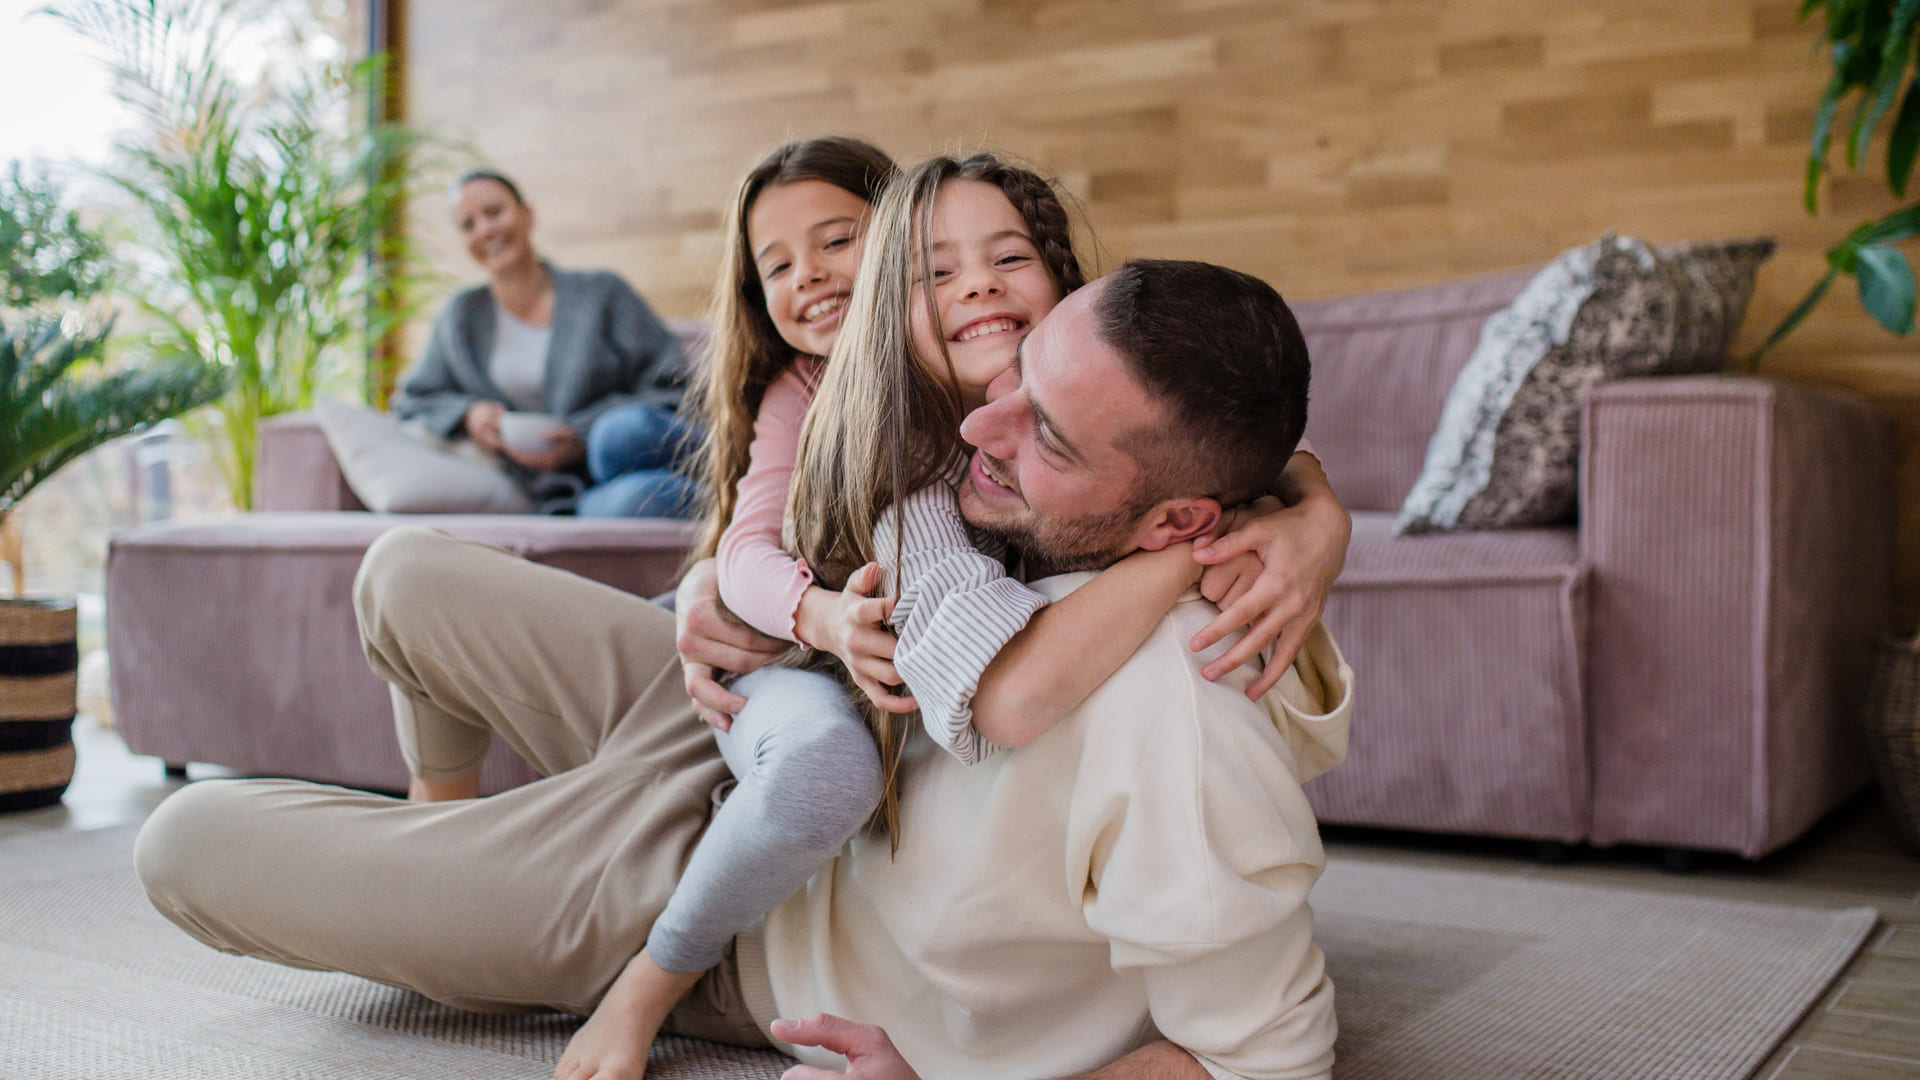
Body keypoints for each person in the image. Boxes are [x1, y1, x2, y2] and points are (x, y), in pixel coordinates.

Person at [133, 256, 1351, 1080]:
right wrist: (1315, 505)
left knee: (182, 845)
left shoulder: (1189, 708)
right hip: (771, 712)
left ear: (1180, 524)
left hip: (739, 910)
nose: (982, 425)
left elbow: (1266, 1064)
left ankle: (504, 876)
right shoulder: (1155, 506)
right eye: (1017, 377)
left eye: (1048, 437)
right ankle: (455, 831)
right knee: (402, 571)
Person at [557, 150, 1324, 1079]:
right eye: (932, 271)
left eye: (839, 241)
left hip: (805, 841)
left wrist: (1312, 512)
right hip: (769, 707)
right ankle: (645, 968)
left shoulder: (1187, 599)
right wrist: (794, 608)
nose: (979, 431)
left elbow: (1239, 438)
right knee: (807, 752)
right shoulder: (894, 465)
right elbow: (768, 558)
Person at [392, 169, 699, 517]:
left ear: (528, 215)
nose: (485, 230)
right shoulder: (459, 317)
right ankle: (737, 504)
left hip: (632, 447)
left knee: (615, 435)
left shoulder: (602, 292)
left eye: (494, 212)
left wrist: (581, 436)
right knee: (636, 501)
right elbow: (412, 399)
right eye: (468, 225)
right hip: (570, 493)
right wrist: (467, 416)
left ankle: (734, 469)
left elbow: (674, 385)